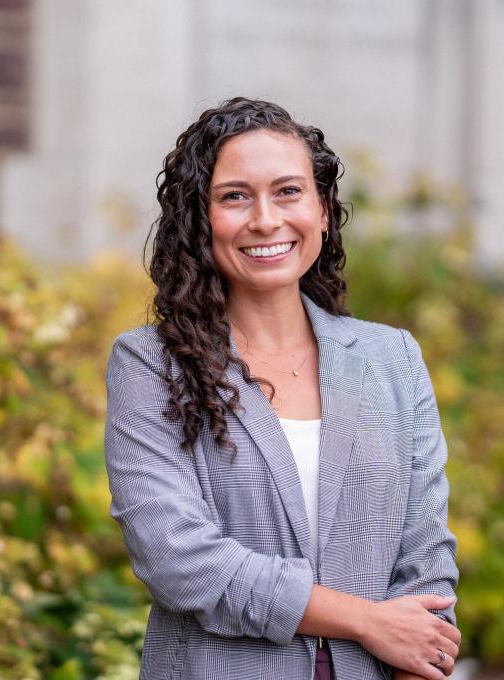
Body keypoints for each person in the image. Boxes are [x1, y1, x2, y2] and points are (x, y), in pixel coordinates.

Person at [105, 97, 460, 680]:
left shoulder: (391, 358)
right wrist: (366, 621)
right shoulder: (150, 365)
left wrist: (418, 655)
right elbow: (178, 558)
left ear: (323, 211)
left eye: (289, 191)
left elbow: (427, 550)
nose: (266, 219)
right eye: (235, 196)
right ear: (201, 219)